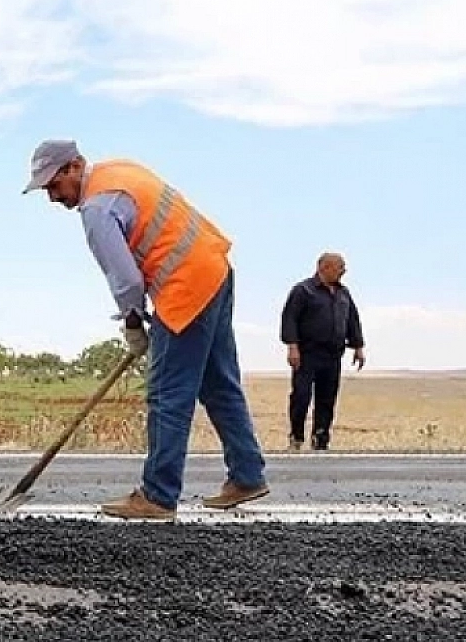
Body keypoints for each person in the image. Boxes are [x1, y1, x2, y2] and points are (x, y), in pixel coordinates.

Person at [22, 139, 270, 520]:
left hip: (186, 287)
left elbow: (125, 279)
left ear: (74, 166)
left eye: (54, 185)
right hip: (215, 270)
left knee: (167, 394)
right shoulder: (120, 170)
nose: (52, 197)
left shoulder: (96, 209)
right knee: (219, 384)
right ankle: (248, 475)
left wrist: (133, 321)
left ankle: (158, 494)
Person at [280, 251, 365, 451]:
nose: (344, 271)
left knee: (327, 398)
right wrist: (292, 347)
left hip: (333, 355)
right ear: (324, 267)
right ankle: (296, 437)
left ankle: (321, 439)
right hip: (307, 353)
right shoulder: (303, 290)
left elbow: (352, 320)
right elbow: (289, 318)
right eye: (340, 267)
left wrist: (358, 346)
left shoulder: (343, 293)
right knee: (301, 395)